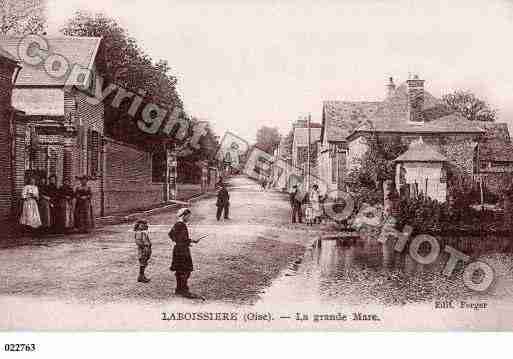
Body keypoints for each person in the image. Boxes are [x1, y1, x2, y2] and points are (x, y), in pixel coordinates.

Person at [169, 208, 201, 298]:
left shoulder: (177, 224)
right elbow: (182, 238)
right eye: (188, 216)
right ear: (184, 215)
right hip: (183, 250)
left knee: (179, 270)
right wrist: (192, 241)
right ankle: (184, 291)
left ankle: (179, 289)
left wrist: (178, 242)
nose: (189, 218)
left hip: (178, 249)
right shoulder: (181, 225)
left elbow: (170, 234)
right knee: (185, 270)